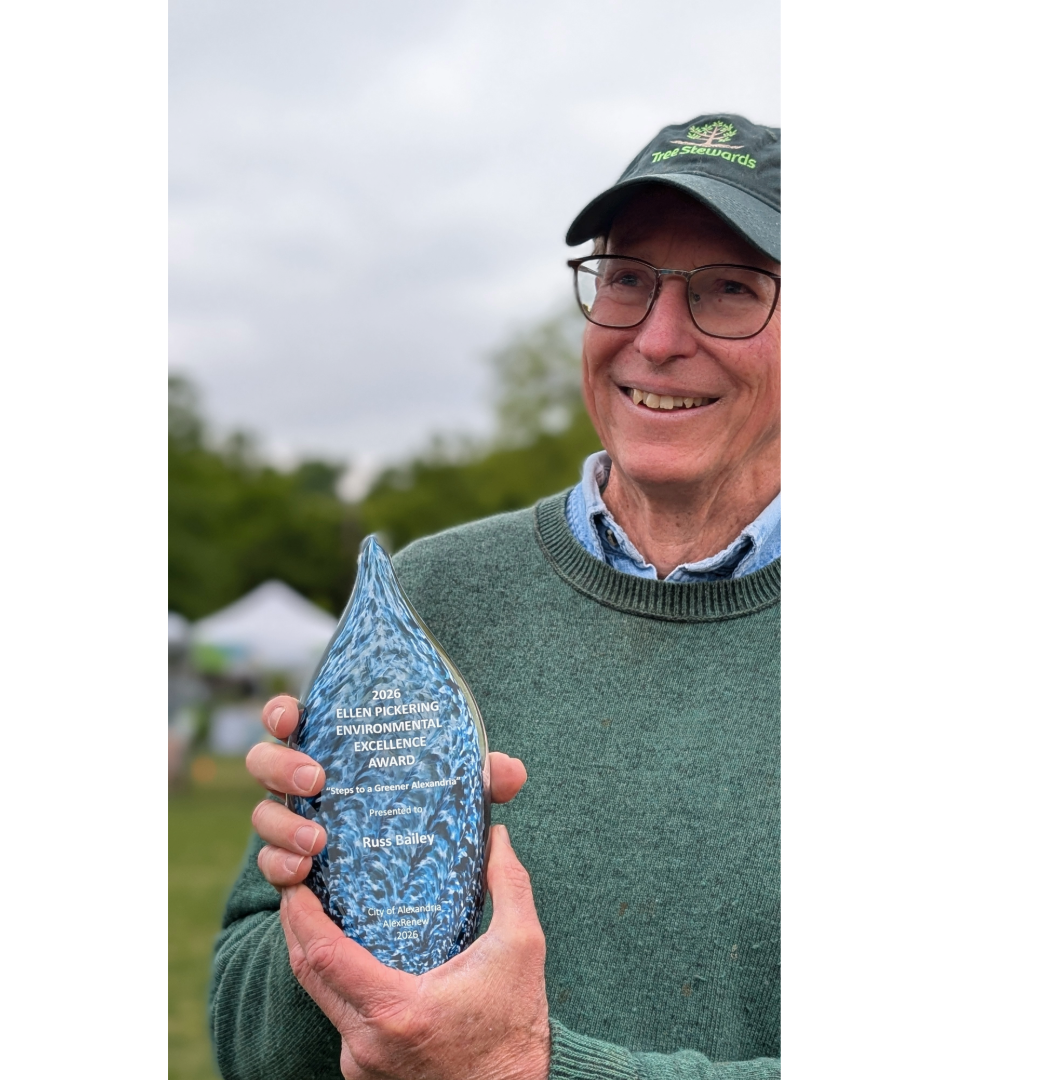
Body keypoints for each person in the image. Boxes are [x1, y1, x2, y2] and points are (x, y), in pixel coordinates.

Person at [210, 113, 782, 1080]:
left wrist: (526, 1066)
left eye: (729, 291)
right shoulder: (425, 599)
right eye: (628, 281)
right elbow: (246, 1038)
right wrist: (331, 916)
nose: (658, 337)